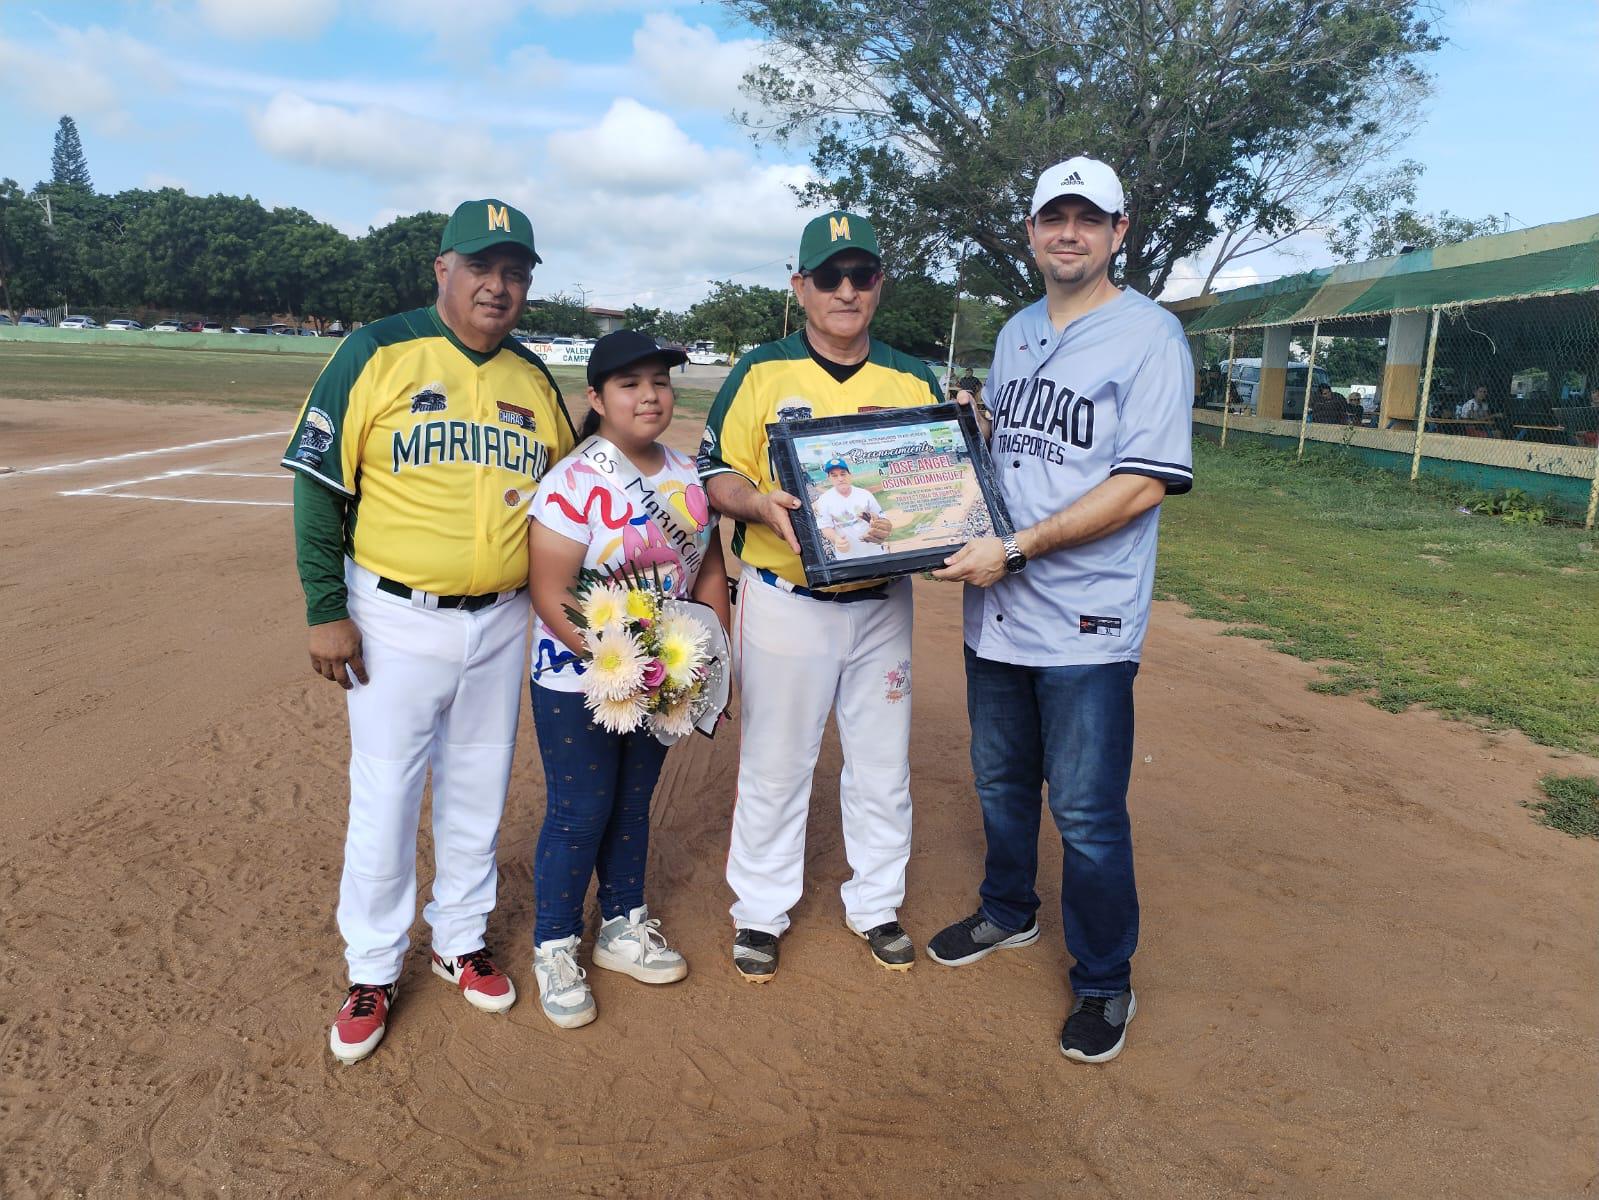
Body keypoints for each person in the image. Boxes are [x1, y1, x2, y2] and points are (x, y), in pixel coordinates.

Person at [283, 199, 575, 1065]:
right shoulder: (375, 350)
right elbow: (316, 482)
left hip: (502, 615)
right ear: (441, 269)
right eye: (482, 267)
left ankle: (458, 938)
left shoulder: (530, 377)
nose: (499, 286)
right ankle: (372, 966)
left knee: (478, 784)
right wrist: (323, 608)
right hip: (392, 616)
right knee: (386, 792)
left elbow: (570, 494)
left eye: (515, 272)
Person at [928, 157, 1194, 1064]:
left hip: (1085, 618)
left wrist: (1017, 547)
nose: (1067, 233)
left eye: (1088, 218)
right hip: (998, 611)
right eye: (1053, 218)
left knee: (1084, 810)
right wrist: (968, 432)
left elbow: (1142, 484)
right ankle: (1008, 911)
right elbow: (1017, 446)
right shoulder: (1014, 332)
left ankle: (1103, 981)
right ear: (1033, 231)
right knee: (1000, 782)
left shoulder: (1150, 337)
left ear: (1120, 233)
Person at [698, 210, 943, 980]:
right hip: (785, 596)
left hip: (880, 603)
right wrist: (758, 504)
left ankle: (876, 904)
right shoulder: (760, 370)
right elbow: (714, 475)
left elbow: (930, 483)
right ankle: (760, 911)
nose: (845, 290)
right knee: (775, 762)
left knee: (882, 766)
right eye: (828, 276)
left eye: (860, 275)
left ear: (878, 286)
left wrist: (930, 519)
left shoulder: (911, 377)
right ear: (799, 285)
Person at [524, 331, 730, 1028]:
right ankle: (554, 943)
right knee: (579, 811)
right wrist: (623, 666)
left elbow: (705, 571)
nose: (649, 396)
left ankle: (621, 926)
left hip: (662, 676)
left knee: (632, 805)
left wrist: (706, 657)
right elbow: (549, 591)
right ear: (596, 398)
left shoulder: (686, 475)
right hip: (577, 677)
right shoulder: (572, 481)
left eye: (660, 383)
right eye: (629, 385)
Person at [813, 456, 889, 559]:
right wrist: (836, 539)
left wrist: (876, 523)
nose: (840, 479)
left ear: (850, 475)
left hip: (874, 552)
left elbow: (881, 517)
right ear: (829, 479)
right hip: (846, 556)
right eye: (834, 475)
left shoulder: (864, 494)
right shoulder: (824, 500)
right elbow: (826, 527)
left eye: (843, 474)